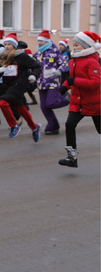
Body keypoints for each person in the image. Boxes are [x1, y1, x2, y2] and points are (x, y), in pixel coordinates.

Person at [57, 31, 101, 168]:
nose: (74, 47)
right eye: (74, 45)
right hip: (78, 102)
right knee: (70, 125)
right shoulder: (73, 61)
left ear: (86, 46)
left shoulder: (92, 62)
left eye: (77, 45)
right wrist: (65, 86)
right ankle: (72, 158)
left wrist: (74, 81)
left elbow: (95, 84)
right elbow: (72, 78)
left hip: (94, 102)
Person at [0, 33, 42, 142]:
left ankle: (14, 126)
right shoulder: (2, 57)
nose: (7, 46)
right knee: (20, 108)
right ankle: (34, 127)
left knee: (3, 103)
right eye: (5, 44)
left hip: (19, 85)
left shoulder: (21, 56)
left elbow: (37, 67)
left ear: (14, 45)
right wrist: (0, 70)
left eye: (9, 44)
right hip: (7, 86)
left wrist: (33, 75)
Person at [33, 29, 69, 135]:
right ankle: (53, 126)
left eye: (42, 41)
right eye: (38, 41)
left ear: (47, 41)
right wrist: (32, 75)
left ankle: (66, 99)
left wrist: (59, 71)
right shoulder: (38, 53)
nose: (39, 43)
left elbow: (64, 64)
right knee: (44, 107)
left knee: (50, 103)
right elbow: (34, 66)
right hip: (41, 83)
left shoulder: (55, 52)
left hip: (53, 82)